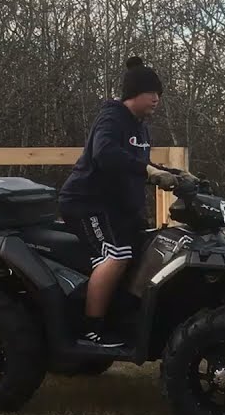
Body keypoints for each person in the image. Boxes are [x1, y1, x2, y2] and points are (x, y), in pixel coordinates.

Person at [59, 57, 181, 348]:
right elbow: (106, 155)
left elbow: (139, 162)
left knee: (146, 251)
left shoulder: (140, 128)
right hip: (87, 203)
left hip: (116, 209)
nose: (157, 99)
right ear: (133, 93)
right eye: (151, 92)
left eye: (159, 94)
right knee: (116, 256)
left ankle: (123, 318)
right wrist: (148, 171)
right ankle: (91, 331)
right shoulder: (112, 118)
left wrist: (173, 174)